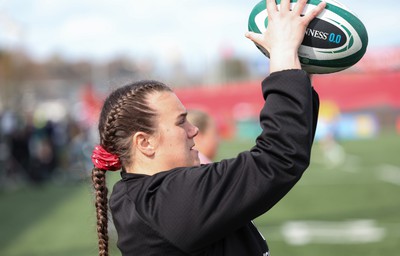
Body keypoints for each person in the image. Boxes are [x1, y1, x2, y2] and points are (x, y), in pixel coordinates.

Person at [90, 0, 325, 255]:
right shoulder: (163, 204)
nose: (194, 130)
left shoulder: (149, 197)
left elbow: (285, 151)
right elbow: (277, 159)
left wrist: (297, 64)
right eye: (181, 122)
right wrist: (283, 52)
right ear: (144, 142)